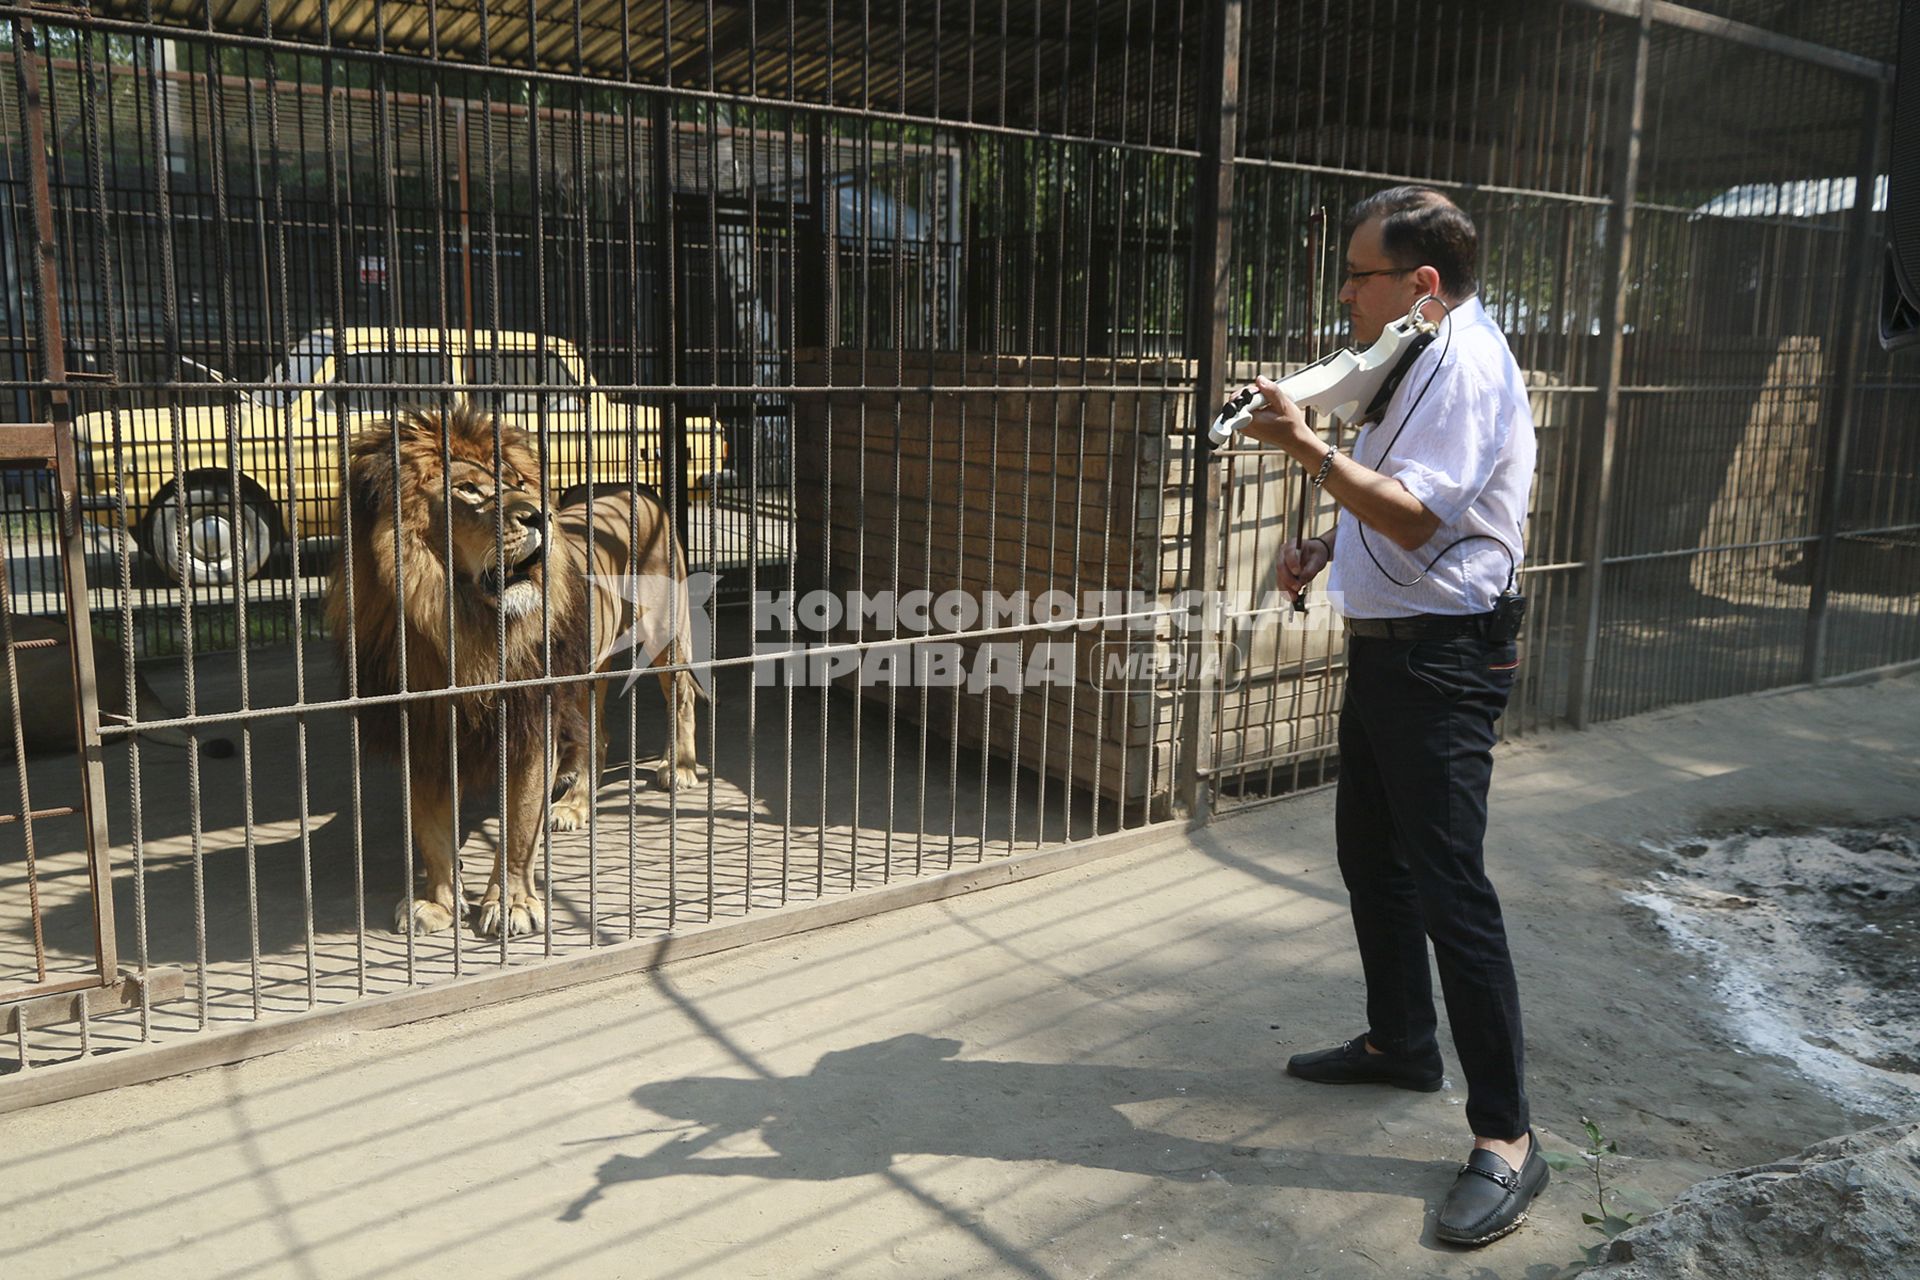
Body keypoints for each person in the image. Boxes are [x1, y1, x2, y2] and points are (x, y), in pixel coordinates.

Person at [1237, 185, 1543, 1247]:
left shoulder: (1465, 367)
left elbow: (1416, 516)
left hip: (1445, 662)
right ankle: (1402, 1039)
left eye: (1360, 274)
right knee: (1375, 859)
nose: (1346, 293)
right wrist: (1331, 546)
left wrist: (1304, 448)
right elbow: (1404, 502)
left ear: (1419, 282)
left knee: (1453, 889)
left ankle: (1507, 1137)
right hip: (1390, 651)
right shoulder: (1421, 352)